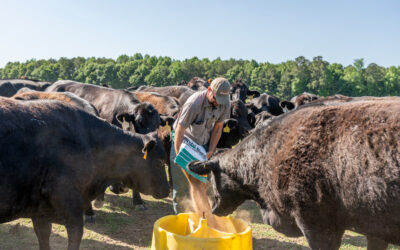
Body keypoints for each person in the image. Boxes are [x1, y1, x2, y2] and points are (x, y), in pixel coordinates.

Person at [170, 77, 231, 214]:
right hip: (183, 141)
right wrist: (179, 154)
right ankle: (181, 223)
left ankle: (203, 219)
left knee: (200, 183)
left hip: (201, 145)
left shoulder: (225, 104)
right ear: (209, 90)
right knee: (181, 186)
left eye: (221, 101)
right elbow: (180, 129)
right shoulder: (194, 103)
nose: (218, 103)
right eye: (216, 99)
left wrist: (210, 150)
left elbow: (218, 127)